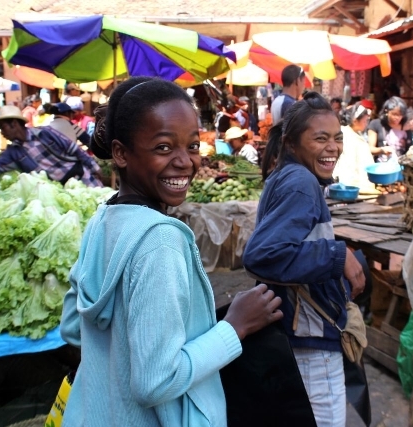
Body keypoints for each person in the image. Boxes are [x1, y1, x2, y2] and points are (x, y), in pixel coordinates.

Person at [60, 76, 282, 426]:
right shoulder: (160, 241)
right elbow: (156, 382)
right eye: (164, 147)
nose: (185, 162)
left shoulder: (102, 219)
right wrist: (234, 327)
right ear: (120, 153)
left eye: (193, 147)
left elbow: (74, 328)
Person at [243, 92, 367, 427]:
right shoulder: (300, 182)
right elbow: (262, 255)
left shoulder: (290, 175)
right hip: (310, 341)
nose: (333, 148)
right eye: (321, 139)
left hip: (298, 332)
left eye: (338, 139)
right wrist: (336, 255)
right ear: (292, 143)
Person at [0, 106, 101, 204]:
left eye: (3, 128)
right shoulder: (13, 153)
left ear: (14, 124)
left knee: (100, 203)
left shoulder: (45, 133)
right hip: (60, 192)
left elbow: (74, 149)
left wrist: (95, 168)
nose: (2, 133)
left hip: (82, 176)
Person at [333, 102, 375, 192]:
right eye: (365, 121)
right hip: (351, 186)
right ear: (355, 121)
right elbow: (348, 166)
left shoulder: (355, 134)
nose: (366, 124)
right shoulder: (346, 137)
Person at [367, 96, 409, 161]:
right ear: (386, 111)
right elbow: (370, 148)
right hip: (382, 166)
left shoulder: (406, 126)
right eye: (394, 114)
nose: (397, 117)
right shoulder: (376, 124)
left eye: (400, 115)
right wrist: (382, 150)